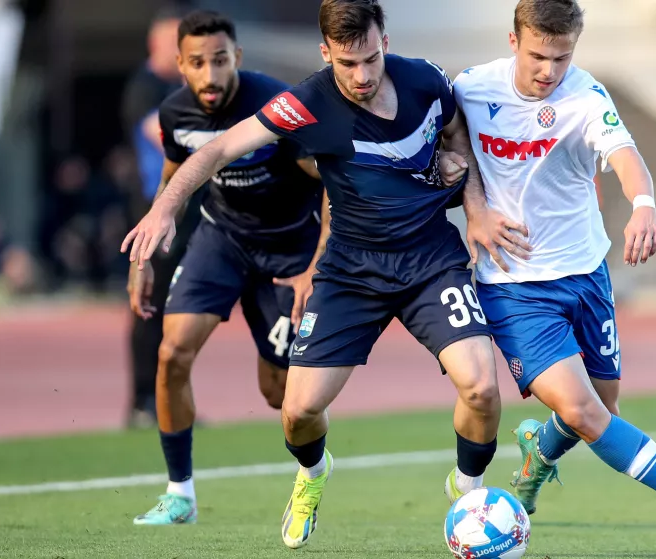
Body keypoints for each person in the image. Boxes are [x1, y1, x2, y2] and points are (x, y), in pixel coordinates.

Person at [122, 0, 507, 548]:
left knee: (483, 390)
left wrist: (474, 208)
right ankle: (312, 474)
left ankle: (469, 492)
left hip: (430, 261)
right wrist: (164, 208)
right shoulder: (305, 103)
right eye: (348, 64)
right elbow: (219, 149)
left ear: (385, 43)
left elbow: (454, 131)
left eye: (371, 59)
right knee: (297, 411)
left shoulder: (427, 81)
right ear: (326, 54)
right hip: (350, 271)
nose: (363, 75)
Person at [452, 1, 656, 558]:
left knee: (601, 411)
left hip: (586, 274)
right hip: (512, 284)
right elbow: (447, 138)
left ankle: (539, 449)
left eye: (562, 57)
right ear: (512, 41)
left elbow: (626, 156)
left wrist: (644, 203)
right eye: (538, 55)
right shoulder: (470, 87)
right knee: (585, 413)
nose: (549, 71)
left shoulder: (585, 95)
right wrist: (473, 208)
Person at [126, 10, 329, 526]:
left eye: (220, 60)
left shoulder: (277, 105)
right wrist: (146, 253)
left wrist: (316, 267)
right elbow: (174, 179)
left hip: (289, 248)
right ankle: (180, 495)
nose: (211, 75)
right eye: (198, 63)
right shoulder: (175, 114)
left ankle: (316, 466)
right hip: (222, 240)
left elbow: (331, 182)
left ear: (236, 57)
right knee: (172, 353)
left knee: (279, 394)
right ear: (180, 65)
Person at [120, 6, 195, 428]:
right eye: (173, 44)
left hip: (184, 211)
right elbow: (165, 137)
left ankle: (172, 401)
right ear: (155, 44)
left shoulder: (182, 87)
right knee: (148, 305)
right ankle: (141, 401)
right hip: (151, 210)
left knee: (181, 310)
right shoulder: (144, 88)